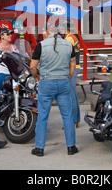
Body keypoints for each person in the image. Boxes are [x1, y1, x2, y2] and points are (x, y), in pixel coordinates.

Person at [30, 22, 77, 157]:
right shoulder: (68, 45)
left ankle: (39, 148)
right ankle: (71, 147)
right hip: (63, 81)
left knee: (43, 116)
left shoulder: (41, 45)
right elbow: (73, 64)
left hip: (46, 82)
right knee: (67, 115)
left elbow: (33, 66)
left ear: (46, 33)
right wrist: (68, 76)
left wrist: (37, 76)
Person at [62, 19, 81, 128]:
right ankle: (76, 119)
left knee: (70, 95)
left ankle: (73, 121)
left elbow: (65, 54)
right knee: (73, 95)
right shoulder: (74, 36)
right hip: (76, 67)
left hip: (71, 68)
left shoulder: (69, 38)